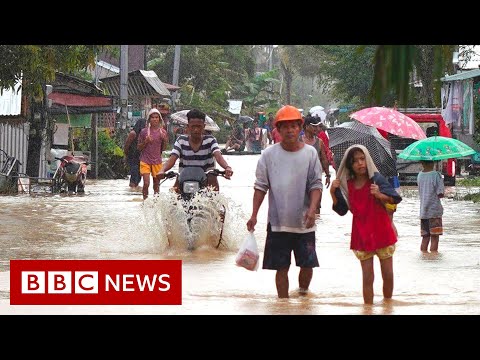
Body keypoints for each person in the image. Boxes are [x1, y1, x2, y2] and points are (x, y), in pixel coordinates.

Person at [246, 105, 323, 299]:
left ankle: (304, 298)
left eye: (293, 126)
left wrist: (313, 210)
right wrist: (254, 215)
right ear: (278, 130)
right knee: (281, 268)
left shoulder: (310, 154)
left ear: (300, 127)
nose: (289, 130)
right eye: (285, 127)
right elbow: (260, 187)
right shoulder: (268, 155)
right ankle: (283, 305)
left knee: (307, 264)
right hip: (277, 223)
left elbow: (316, 185)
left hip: (305, 223)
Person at [330, 144, 402, 305]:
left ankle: (387, 306)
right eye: (355, 161)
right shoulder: (346, 186)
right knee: (367, 277)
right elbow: (341, 210)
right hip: (362, 236)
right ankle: (368, 309)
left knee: (388, 274)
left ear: (367, 160)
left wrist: (379, 195)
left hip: (382, 232)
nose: (360, 163)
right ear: (350, 165)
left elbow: (395, 199)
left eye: (362, 159)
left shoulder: (377, 179)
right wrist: (332, 193)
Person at [157, 109, 233, 192]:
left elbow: (218, 156)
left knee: (214, 194)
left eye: (199, 126)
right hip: (184, 178)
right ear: (188, 126)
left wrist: (227, 167)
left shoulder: (211, 140)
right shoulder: (181, 140)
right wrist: (162, 170)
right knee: (174, 197)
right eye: (193, 126)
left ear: (204, 126)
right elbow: (172, 159)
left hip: (207, 178)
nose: (196, 130)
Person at [300, 116, 331, 213]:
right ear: (306, 127)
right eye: (314, 126)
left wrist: (328, 175)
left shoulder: (319, 142)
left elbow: (324, 160)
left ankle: (316, 223)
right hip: (300, 179)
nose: (317, 129)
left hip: (315, 178)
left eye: (318, 127)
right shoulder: (299, 141)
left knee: (316, 206)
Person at [137, 108, 168, 200]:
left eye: (156, 117)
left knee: (156, 184)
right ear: (149, 119)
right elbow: (139, 147)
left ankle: (156, 202)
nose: (155, 119)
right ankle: (145, 201)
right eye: (153, 117)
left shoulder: (163, 132)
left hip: (157, 161)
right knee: (146, 183)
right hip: (145, 160)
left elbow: (163, 149)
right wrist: (145, 141)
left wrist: (164, 140)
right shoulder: (144, 132)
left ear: (159, 119)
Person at [417, 160, 444, 253]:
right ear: (433, 163)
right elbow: (440, 193)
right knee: (435, 237)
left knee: (425, 237)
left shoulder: (420, 175)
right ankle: (433, 260)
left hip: (423, 212)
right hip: (434, 211)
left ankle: (424, 257)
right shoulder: (436, 175)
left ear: (422, 163)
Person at [123, 118, 146, 188]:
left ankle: (135, 189)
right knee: (134, 174)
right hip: (132, 157)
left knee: (139, 174)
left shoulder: (144, 135)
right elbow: (126, 145)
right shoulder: (133, 133)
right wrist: (126, 155)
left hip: (140, 157)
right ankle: (132, 188)